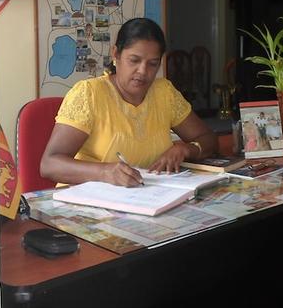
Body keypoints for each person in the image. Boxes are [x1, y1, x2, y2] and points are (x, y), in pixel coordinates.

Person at [41, 18, 218, 187]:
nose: (142, 71)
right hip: (87, 205)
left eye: (153, 64)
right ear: (115, 54)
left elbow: (208, 138)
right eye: (134, 60)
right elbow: (50, 164)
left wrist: (187, 150)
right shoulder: (89, 94)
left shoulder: (164, 92)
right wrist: (104, 172)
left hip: (146, 200)